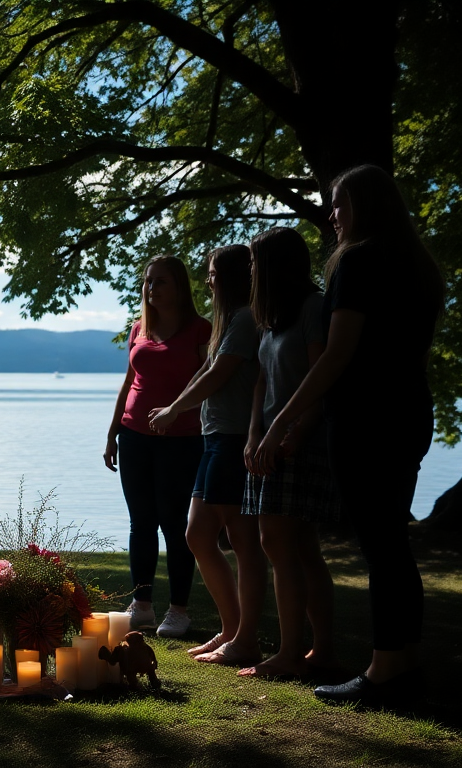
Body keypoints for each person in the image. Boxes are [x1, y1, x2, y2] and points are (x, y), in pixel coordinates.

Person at [255, 165, 443, 704]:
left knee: (381, 546)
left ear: (362, 206)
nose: (332, 216)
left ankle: (384, 671)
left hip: (365, 420)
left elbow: (338, 353)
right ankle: (404, 661)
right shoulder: (418, 267)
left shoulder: (358, 262)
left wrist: (283, 421)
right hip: (409, 413)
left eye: (338, 205)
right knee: (393, 545)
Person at [148, 245, 267, 666]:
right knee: (197, 534)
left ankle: (245, 638)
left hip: (235, 438)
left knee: (242, 542)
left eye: (214, 272)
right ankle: (232, 629)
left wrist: (175, 409)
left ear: (233, 277)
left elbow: (221, 373)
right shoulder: (228, 322)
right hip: (215, 437)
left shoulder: (246, 319)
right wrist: (174, 407)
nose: (209, 279)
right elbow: (205, 370)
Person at [237, 227, 339, 681]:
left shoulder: (313, 309)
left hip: (300, 443)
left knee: (281, 544)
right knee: (295, 546)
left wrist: (292, 437)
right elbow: (262, 383)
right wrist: (253, 434)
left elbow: (322, 380)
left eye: (257, 263)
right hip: (268, 442)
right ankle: (316, 650)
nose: (252, 271)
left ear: (277, 265)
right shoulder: (271, 319)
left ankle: (293, 652)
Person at [104, 255, 210, 637]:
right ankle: (143, 605)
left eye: (160, 281)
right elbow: (129, 382)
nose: (152, 288)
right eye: (148, 282)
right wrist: (113, 431)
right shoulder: (139, 329)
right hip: (134, 437)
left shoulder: (201, 330)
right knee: (141, 523)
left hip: (181, 440)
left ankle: (179, 610)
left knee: (175, 525)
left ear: (180, 286)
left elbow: (212, 385)